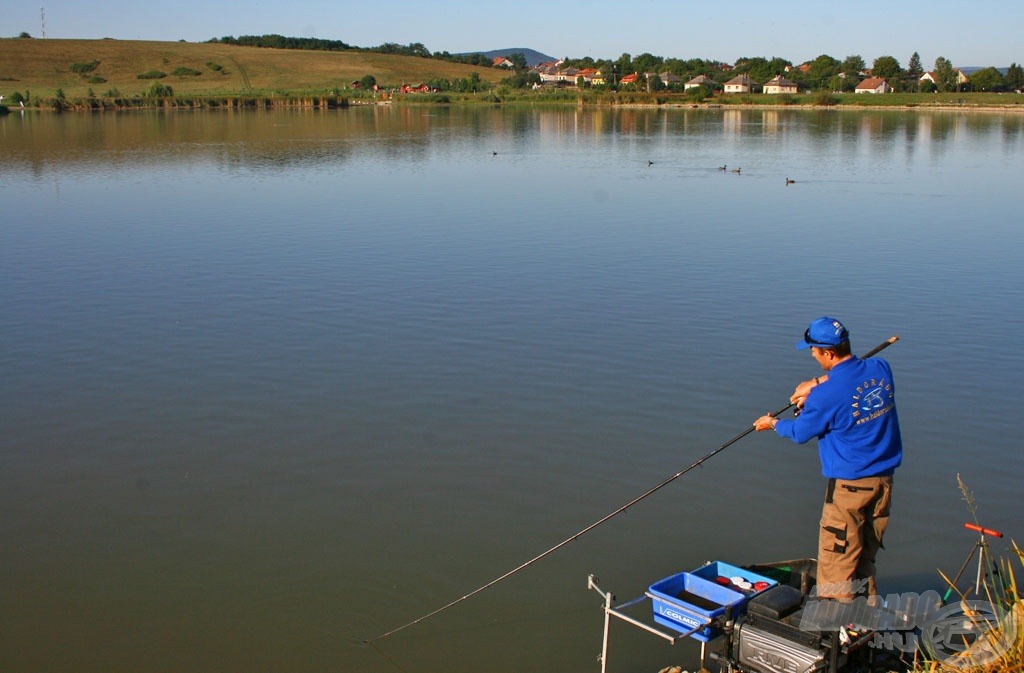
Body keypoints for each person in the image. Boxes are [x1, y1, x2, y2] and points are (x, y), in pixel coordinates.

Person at [754, 317, 902, 601]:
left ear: (828, 353)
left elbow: (799, 432)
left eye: (814, 350)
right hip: (883, 484)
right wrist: (817, 383)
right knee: (863, 560)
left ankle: (837, 631)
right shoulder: (882, 369)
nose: (811, 354)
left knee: (837, 565)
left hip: (849, 490)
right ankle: (864, 622)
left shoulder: (825, 396)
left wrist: (772, 423)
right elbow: (848, 381)